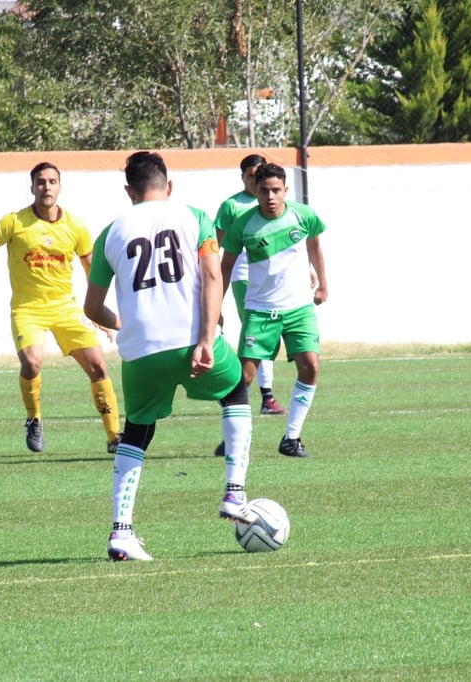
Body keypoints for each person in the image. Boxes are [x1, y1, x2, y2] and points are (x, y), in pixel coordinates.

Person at [84, 151, 258, 562]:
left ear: (129, 191)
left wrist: (125, 326)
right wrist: (204, 338)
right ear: (170, 185)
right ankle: (234, 493)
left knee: (137, 433)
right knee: (235, 392)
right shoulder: (195, 217)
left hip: (141, 352)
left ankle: (121, 532)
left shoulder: (110, 231)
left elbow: (92, 309)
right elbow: (213, 275)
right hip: (190, 338)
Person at [0, 162, 120, 454]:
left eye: (52, 181)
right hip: (28, 309)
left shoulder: (76, 226)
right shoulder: (14, 222)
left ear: (60, 186)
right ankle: (34, 419)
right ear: (32, 187)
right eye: (41, 182)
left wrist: (98, 312)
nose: (47, 187)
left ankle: (114, 437)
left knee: (98, 365)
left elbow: (92, 269)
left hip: (66, 309)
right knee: (32, 362)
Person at [219, 163, 328, 459]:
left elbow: (315, 245)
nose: (270, 196)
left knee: (311, 366)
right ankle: (231, 436)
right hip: (260, 310)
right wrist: (216, 306)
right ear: (255, 190)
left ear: (285, 191)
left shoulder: (303, 215)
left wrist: (322, 285)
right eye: (264, 190)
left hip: (299, 309)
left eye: (276, 190)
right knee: (243, 377)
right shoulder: (243, 224)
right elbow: (226, 266)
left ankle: (291, 437)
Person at [215, 154, 285, 416]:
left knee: (266, 335)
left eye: (260, 175)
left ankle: (246, 393)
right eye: (251, 176)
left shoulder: (275, 203)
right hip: (245, 277)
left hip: (274, 279)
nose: (257, 182)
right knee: (259, 333)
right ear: (243, 176)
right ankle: (265, 397)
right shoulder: (232, 206)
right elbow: (215, 245)